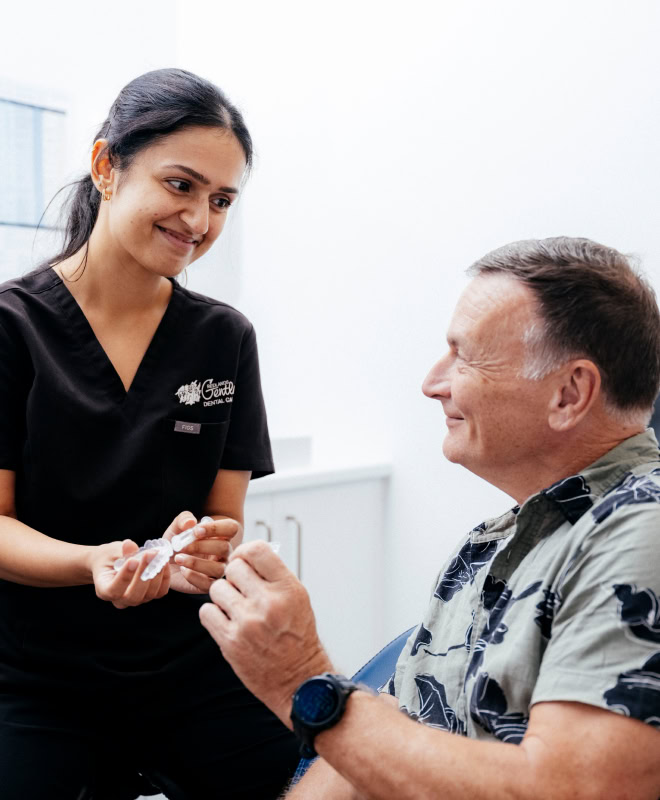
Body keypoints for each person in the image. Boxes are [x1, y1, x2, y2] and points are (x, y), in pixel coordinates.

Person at [200, 236, 660, 799]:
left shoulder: (642, 530)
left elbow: (578, 789)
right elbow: (390, 734)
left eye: (464, 356)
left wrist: (302, 682)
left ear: (569, 393)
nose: (432, 383)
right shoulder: (488, 546)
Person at [0, 68, 298, 799]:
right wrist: (94, 563)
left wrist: (206, 548)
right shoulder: (12, 328)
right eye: (180, 185)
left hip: (191, 662)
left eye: (221, 200)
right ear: (107, 167)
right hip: (40, 677)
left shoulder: (224, 338)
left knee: (312, 783)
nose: (199, 220)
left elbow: (223, 515)